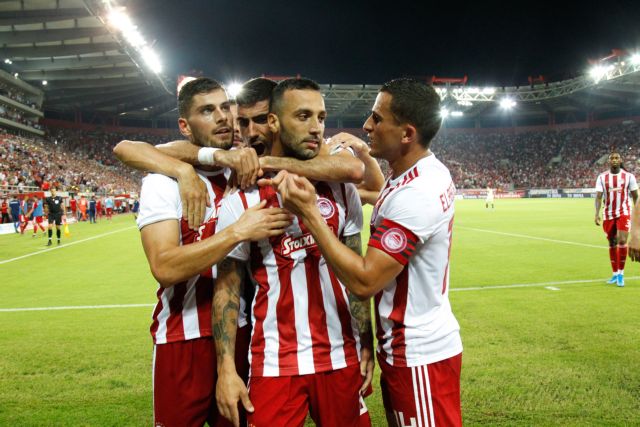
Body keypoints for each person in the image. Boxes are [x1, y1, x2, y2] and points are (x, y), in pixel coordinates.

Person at [266, 78, 463, 427]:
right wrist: (360, 152)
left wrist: (310, 214)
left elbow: (365, 281)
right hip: (405, 349)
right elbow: (374, 189)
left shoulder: (418, 192)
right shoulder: (413, 176)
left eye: (377, 118)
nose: (367, 125)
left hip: (418, 351)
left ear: (407, 134)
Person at [129, 77, 291, 427]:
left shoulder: (246, 170)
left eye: (225, 107)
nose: (222, 117)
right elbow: (165, 267)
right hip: (182, 338)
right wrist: (237, 231)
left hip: (242, 334)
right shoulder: (163, 181)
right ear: (185, 126)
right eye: (207, 110)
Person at [214, 78, 373, 427]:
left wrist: (366, 342)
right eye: (303, 116)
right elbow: (227, 289)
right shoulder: (243, 198)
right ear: (274, 122)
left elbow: (355, 274)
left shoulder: (341, 190)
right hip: (274, 362)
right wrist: (226, 369)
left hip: (340, 356)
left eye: (321, 117)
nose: (316, 127)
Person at [595, 152, 638, 287]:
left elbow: (636, 196)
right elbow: (598, 197)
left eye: (616, 158)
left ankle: (621, 274)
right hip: (608, 214)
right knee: (612, 243)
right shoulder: (602, 177)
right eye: (612, 158)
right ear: (609, 161)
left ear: (620, 160)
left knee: (622, 240)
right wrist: (596, 213)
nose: (614, 160)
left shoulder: (629, 176)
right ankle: (614, 274)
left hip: (624, 212)